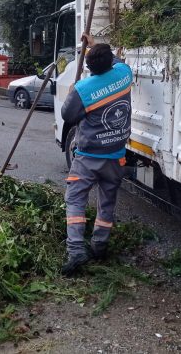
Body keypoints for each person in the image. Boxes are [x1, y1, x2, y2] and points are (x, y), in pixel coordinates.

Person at [60, 33, 132, 276]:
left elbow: (68, 116)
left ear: (89, 68)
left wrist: (72, 90)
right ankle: (99, 246)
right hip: (116, 155)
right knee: (107, 201)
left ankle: (76, 250)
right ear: (110, 62)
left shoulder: (83, 89)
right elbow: (118, 60)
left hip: (88, 157)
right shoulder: (124, 74)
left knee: (75, 199)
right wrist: (94, 46)